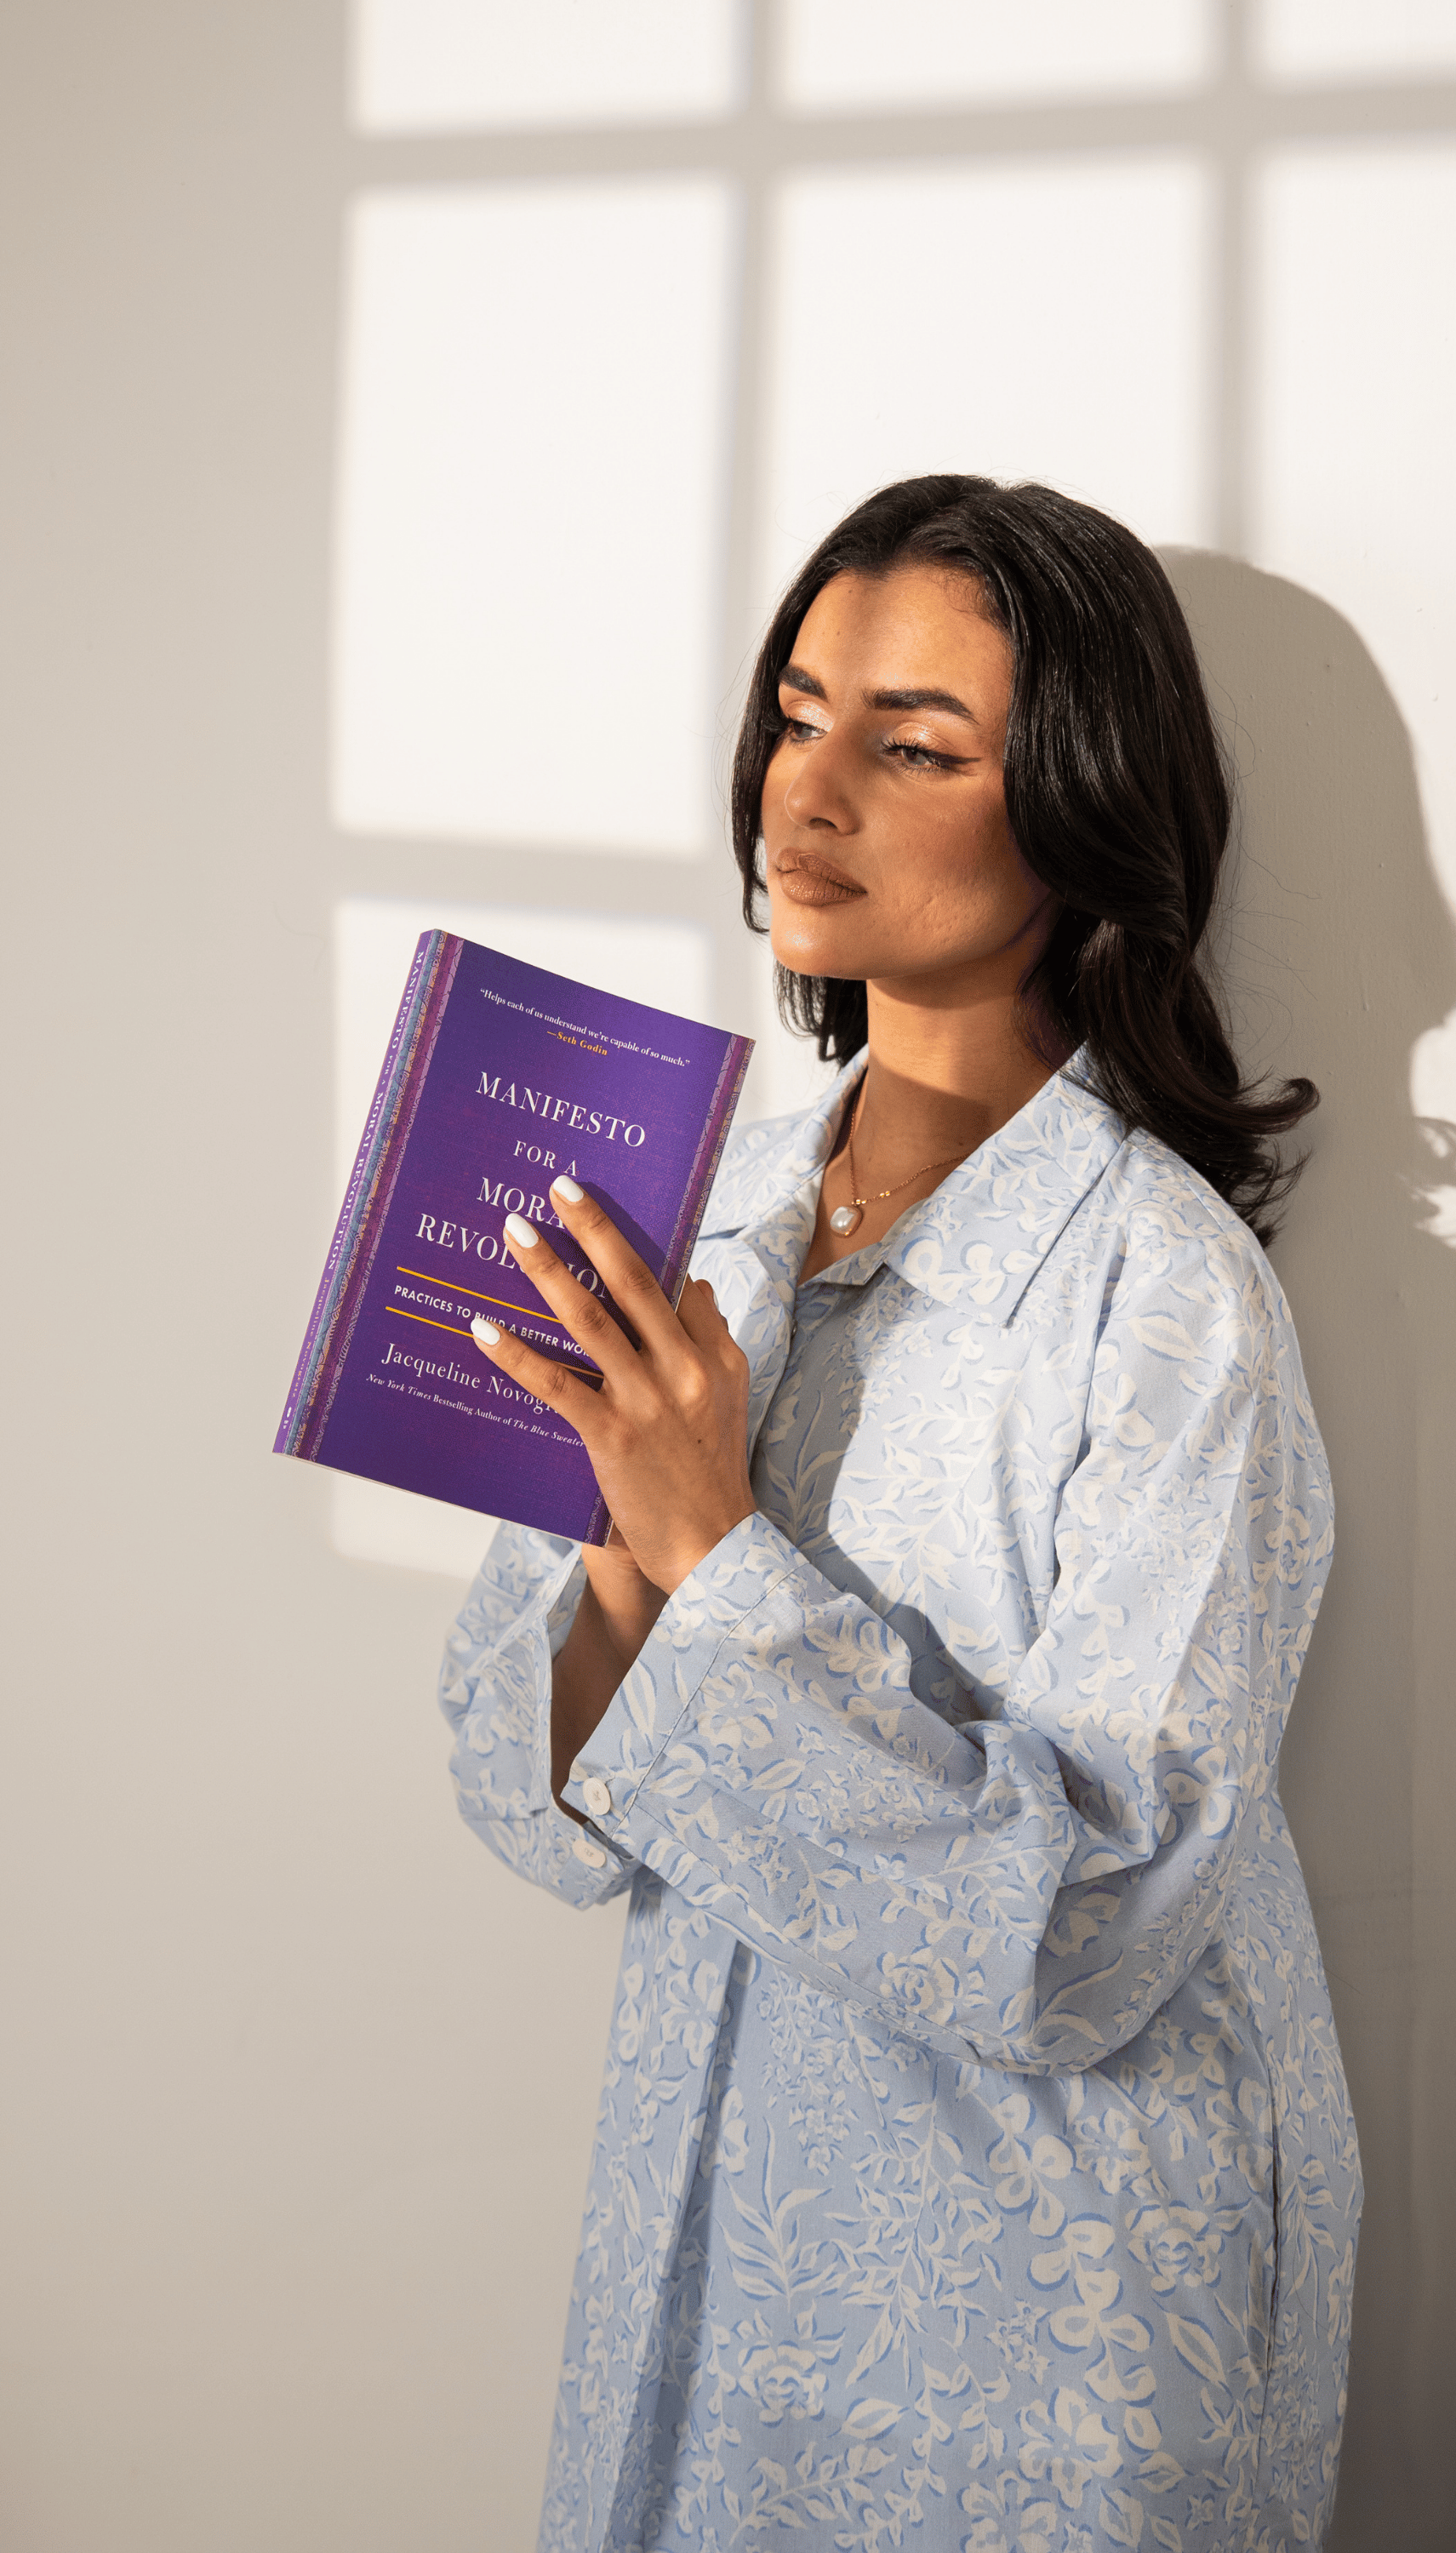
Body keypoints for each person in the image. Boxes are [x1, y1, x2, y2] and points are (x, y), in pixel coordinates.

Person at [443, 476, 1361, 2553]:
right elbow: (534, 1808)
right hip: (711, 2224)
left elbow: (1090, 1924)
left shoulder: (1166, 1297)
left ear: (1079, 814)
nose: (809, 788)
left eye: (914, 745)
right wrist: (625, 1551)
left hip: (1051, 2311)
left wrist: (713, 1552)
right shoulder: (690, 1221)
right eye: (796, 714)